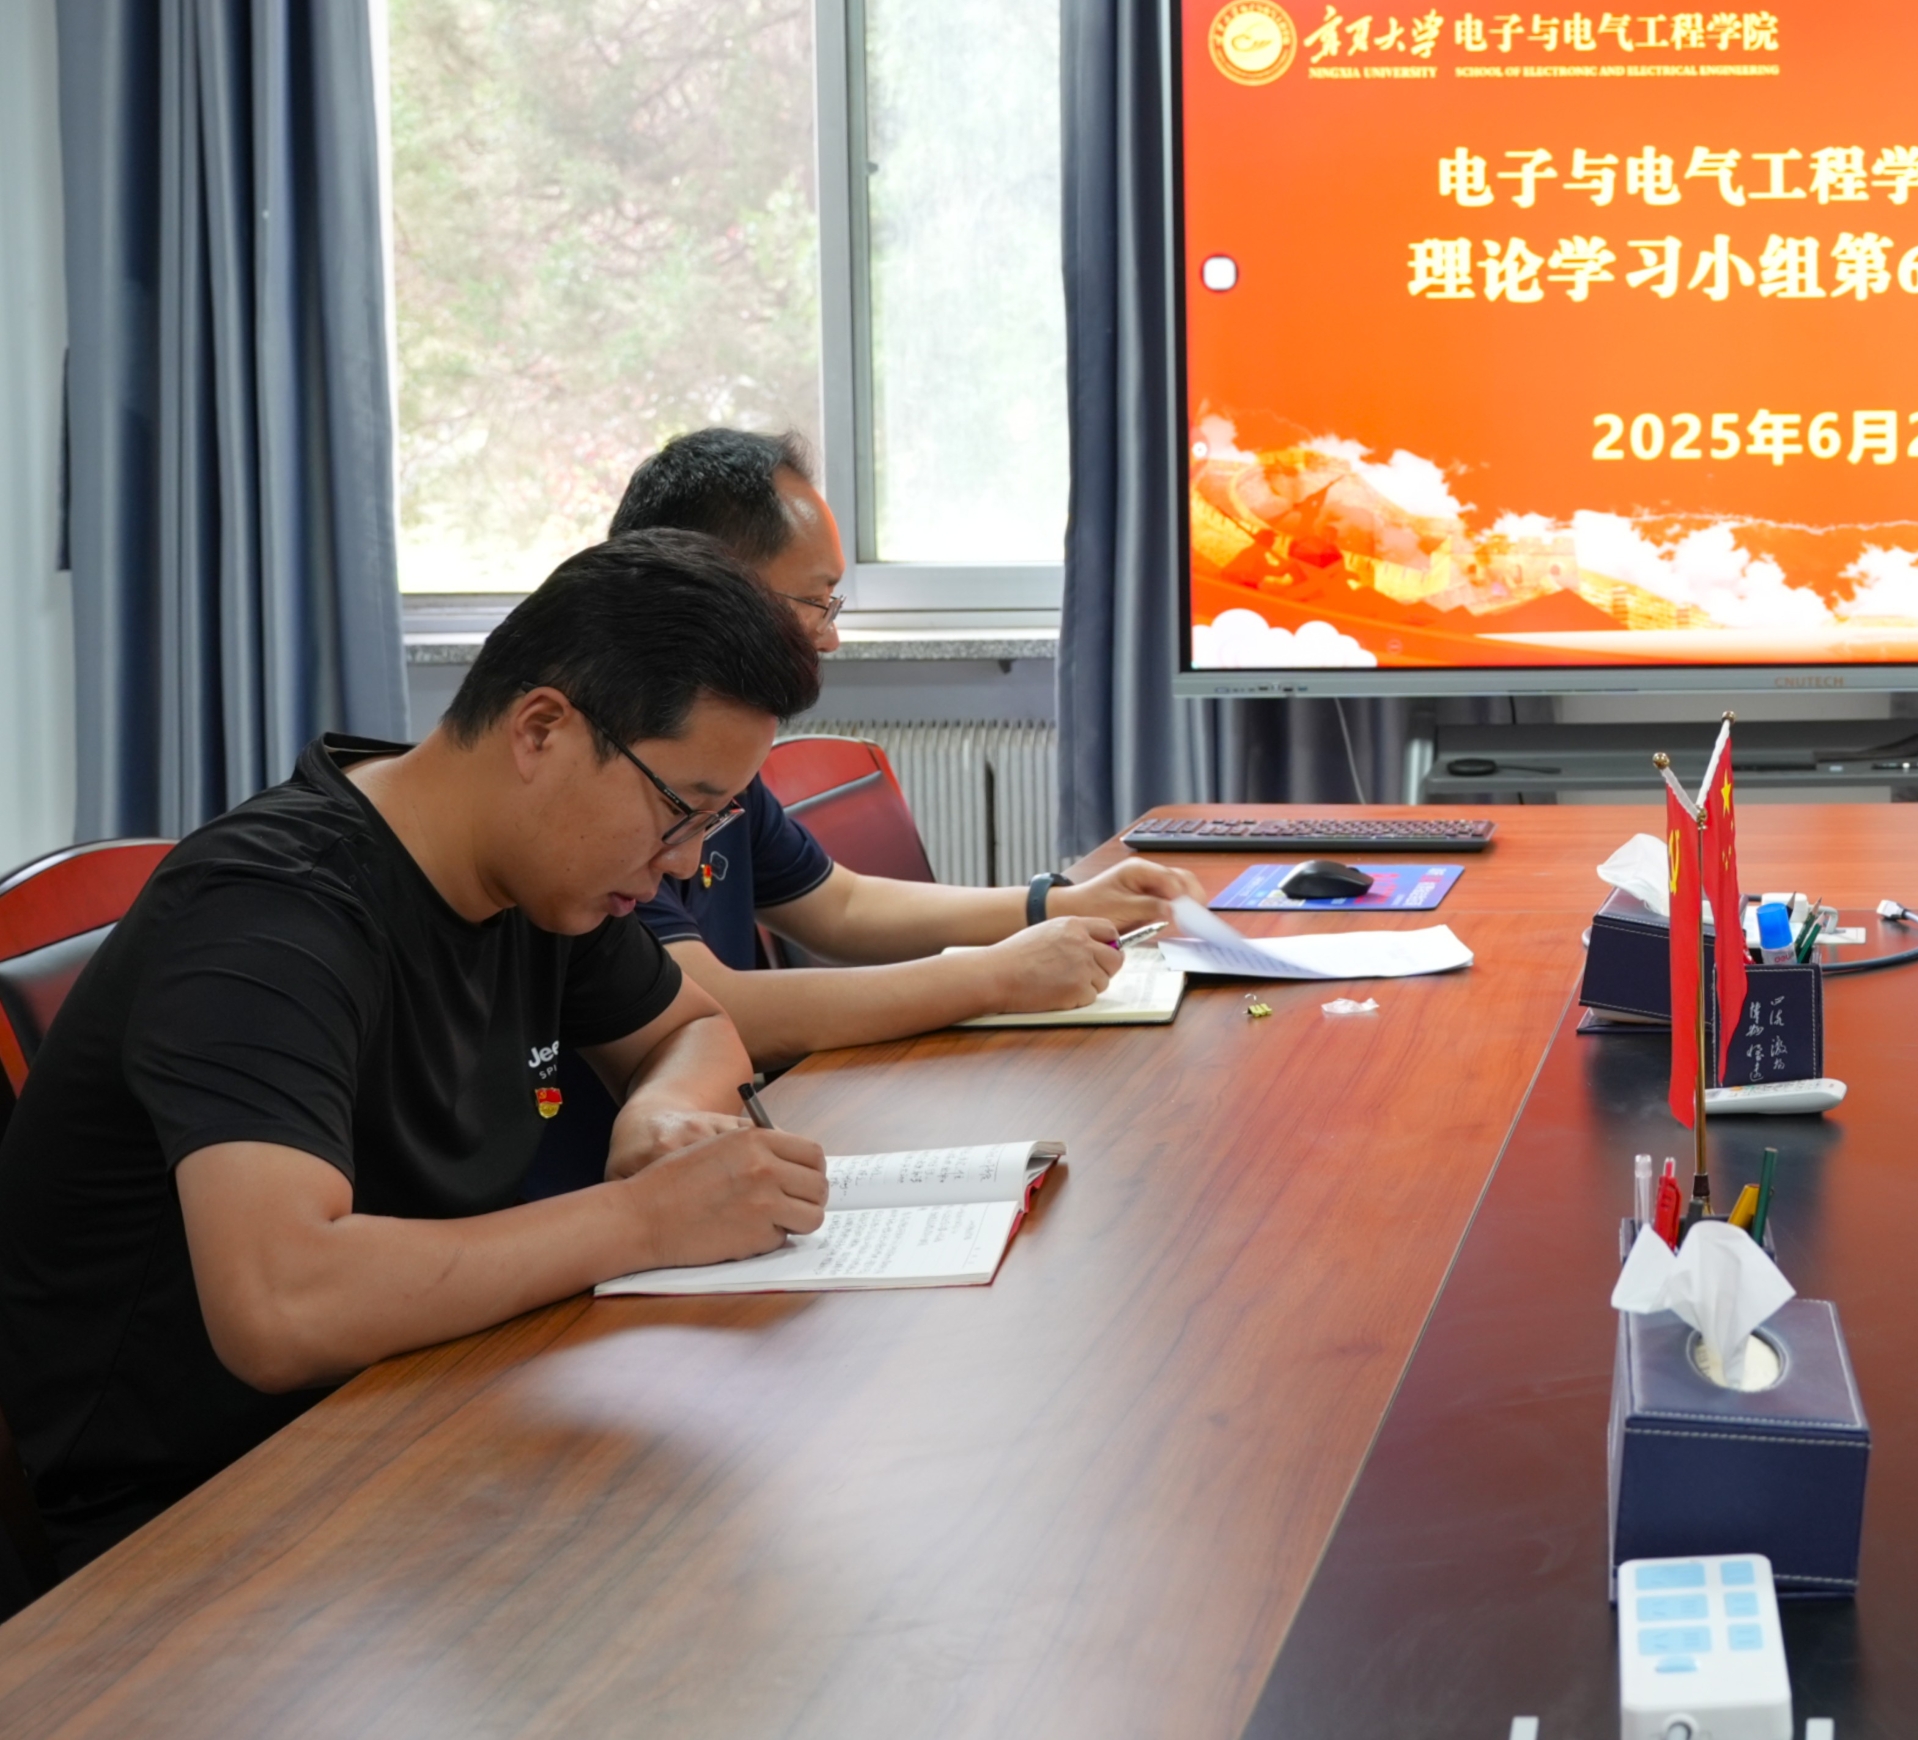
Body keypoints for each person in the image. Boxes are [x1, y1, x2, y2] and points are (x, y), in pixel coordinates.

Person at [0, 533, 841, 1571]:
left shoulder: (538, 880)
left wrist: (660, 1113)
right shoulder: (271, 913)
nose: (684, 864)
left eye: (713, 824)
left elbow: (693, 1027)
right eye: (680, 811)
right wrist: (643, 1218)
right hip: (199, 1528)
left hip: (422, 1409)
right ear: (541, 729)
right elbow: (279, 1302)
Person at [523, 430, 1196, 1194]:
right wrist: (994, 977)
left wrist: (1054, 903)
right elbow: (713, 1004)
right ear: (709, 587)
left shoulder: (708, 768)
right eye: (816, 601)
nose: (831, 636)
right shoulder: (600, 787)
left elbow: (835, 906)